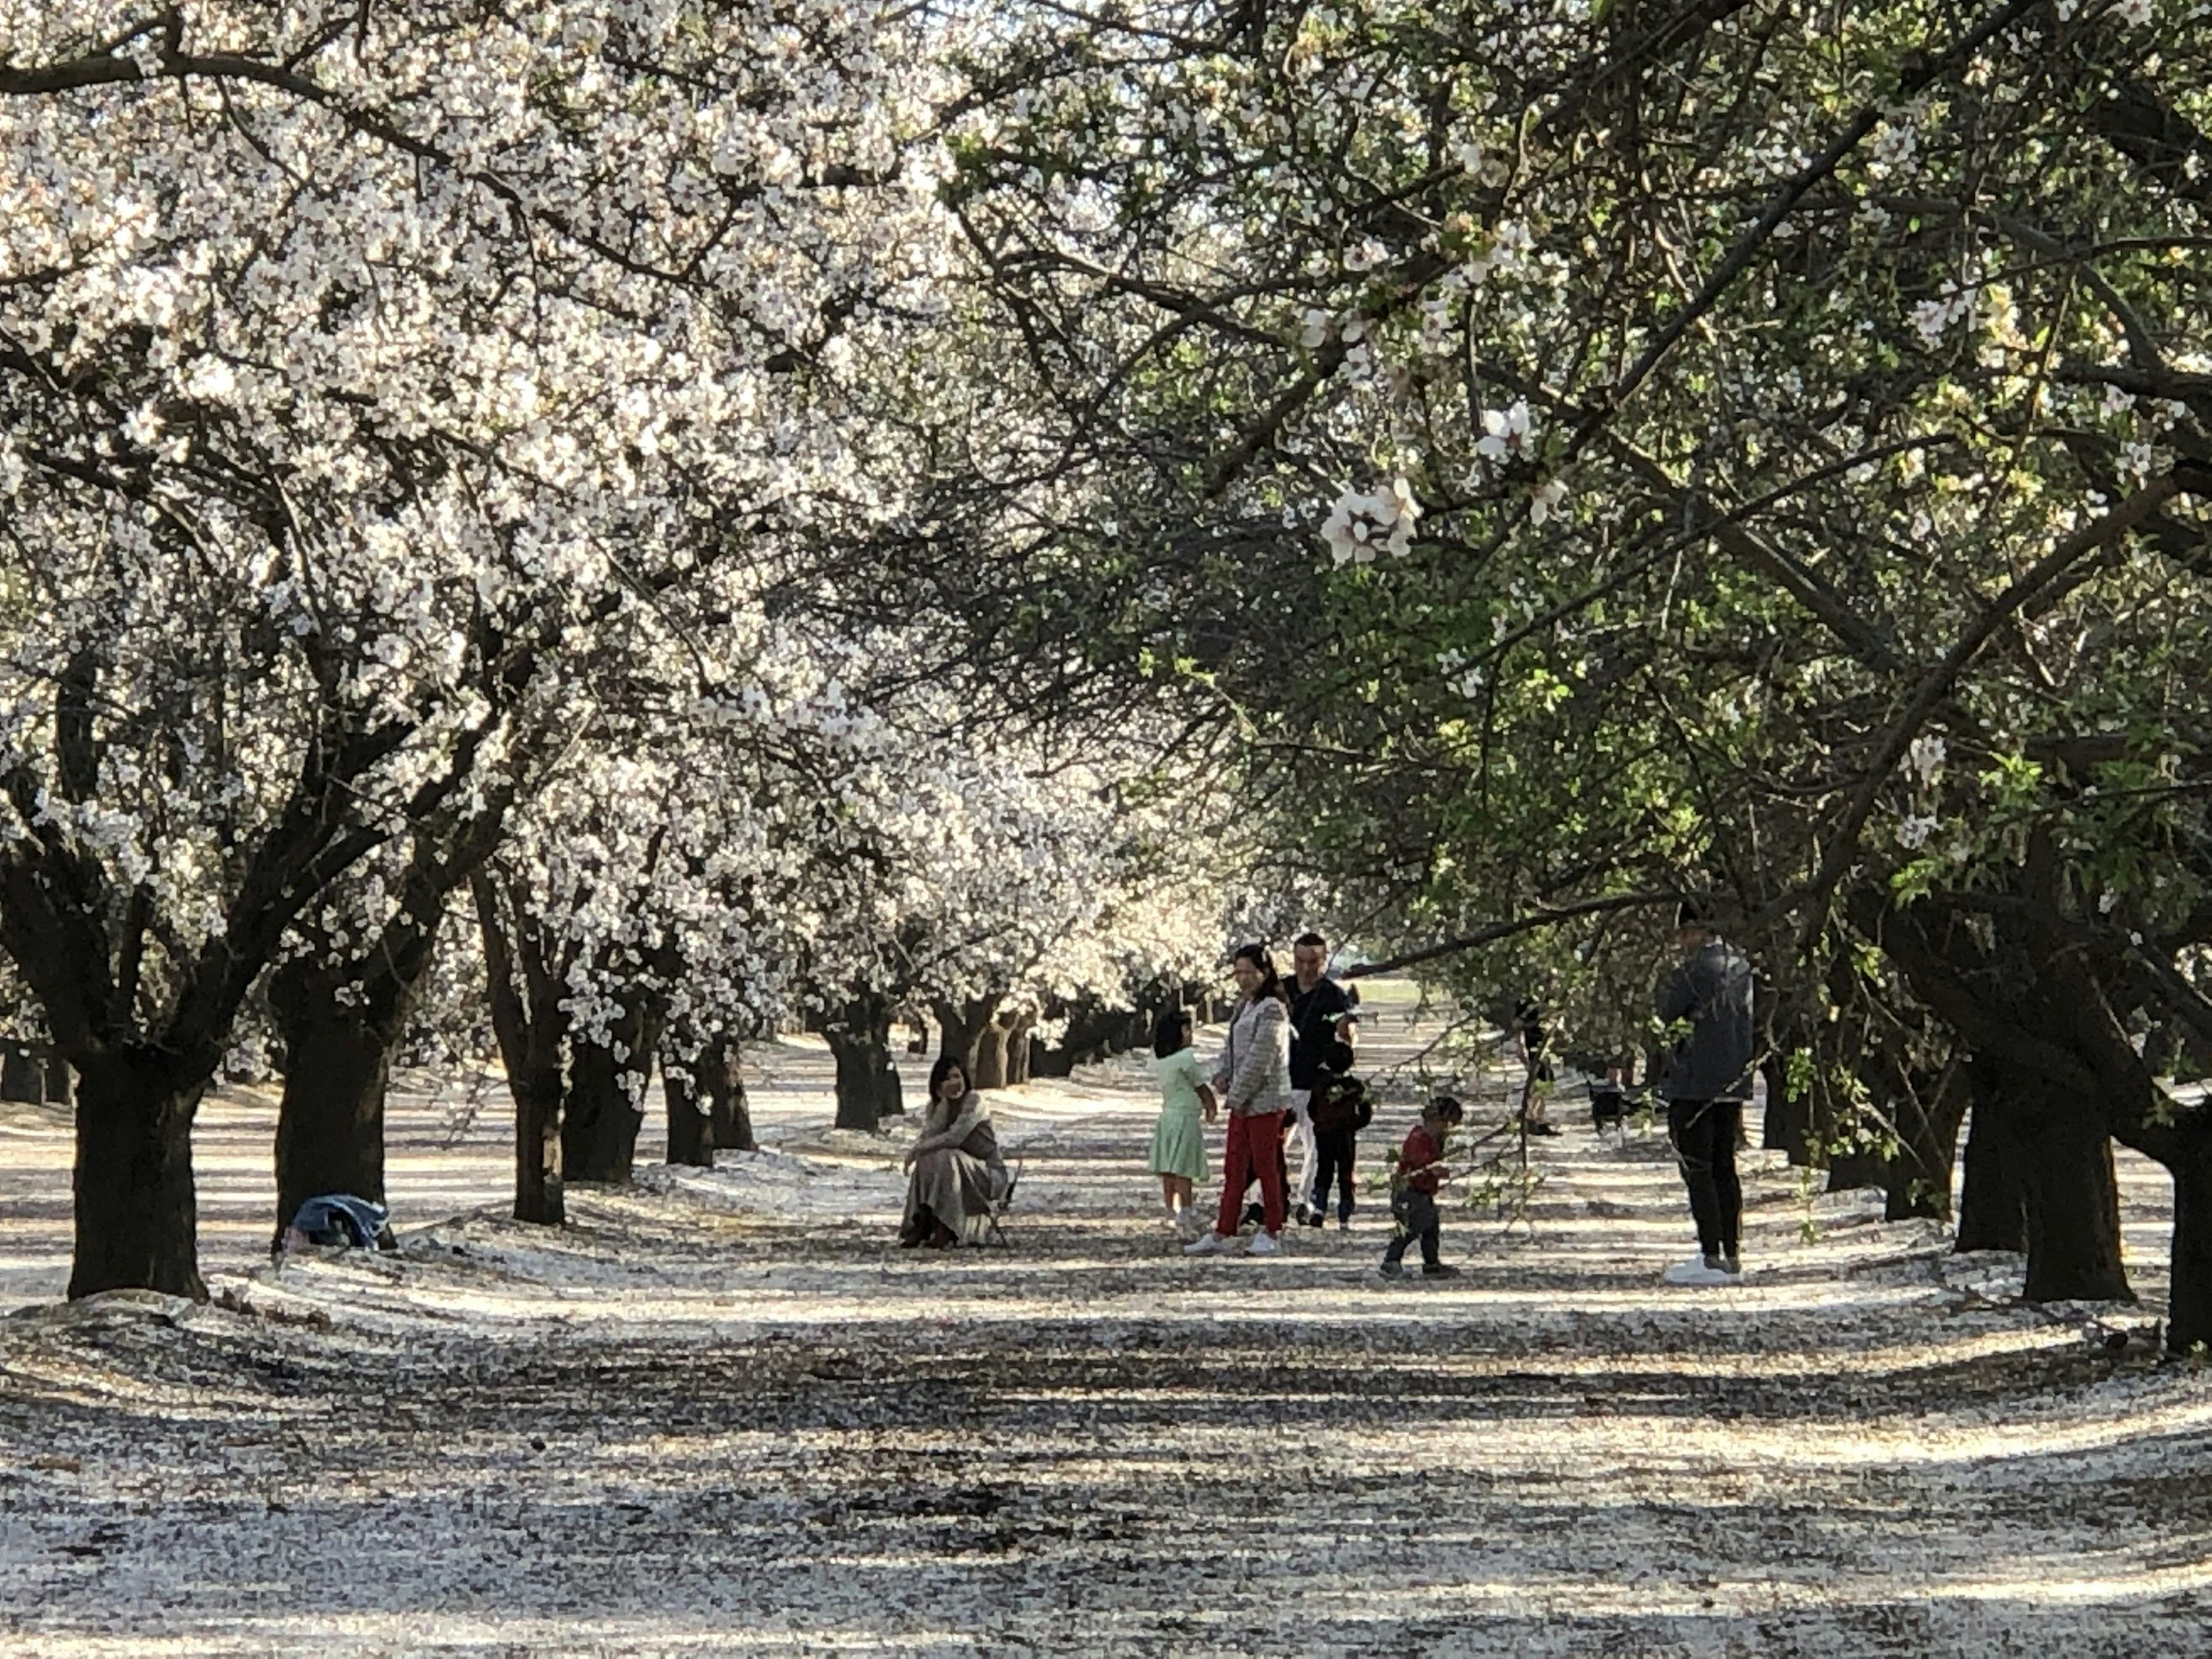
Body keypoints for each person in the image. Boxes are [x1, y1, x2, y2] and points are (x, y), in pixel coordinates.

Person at [1655, 896, 1756, 1286]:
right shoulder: (1742, 965)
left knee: (1697, 1169)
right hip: (1732, 1081)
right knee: (1725, 1169)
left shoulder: (1696, 970)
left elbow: (1665, 1018)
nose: (1682, 942)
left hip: (1695, 1082)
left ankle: (1710, 1253)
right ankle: (1731, 1252)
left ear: (1696, 930)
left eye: (1684, 933)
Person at [1186, 943, 1293, 1258]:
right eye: (1239, 972)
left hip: (1265, 1102)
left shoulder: (1272, 1008)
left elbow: (1262, 1058)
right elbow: (1233, 1046)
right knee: (1234, 1167)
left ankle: (1272, 1230)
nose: (1243, 979)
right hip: (1243, 1102)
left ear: (1265, 972)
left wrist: (1237, 1094)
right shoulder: (1244, 1006)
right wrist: (1222, 1073)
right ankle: (1223, 1229)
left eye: (1249, 972)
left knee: (1266, 1167)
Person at [899, 1056, 1010, 1249]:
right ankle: (923, 1218)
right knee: (929, 1158)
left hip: (987, 1172)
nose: (954, 1083)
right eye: (947, 1079)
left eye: (957, 1076)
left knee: (947, 1155)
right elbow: (928, 1138)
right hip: (955, 1169)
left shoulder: (975, 1101)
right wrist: (943, 1106)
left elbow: (954, 1138)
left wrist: (916, 1150)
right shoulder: (936, 1106)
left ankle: (947, 1226)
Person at [1286, 933, 1359, 1222]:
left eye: (1312, 961)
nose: (1305, 968)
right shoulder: (1280, 990)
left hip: (1316, 1084)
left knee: (1316, 1149)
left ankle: (1306, 1202)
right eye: (1300, 961)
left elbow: (1348, 1043)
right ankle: (1265, 1202)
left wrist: (1347, 1032)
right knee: (1268, 1146)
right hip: (1278, 1081)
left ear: (1324, 960)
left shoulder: (1334, 996)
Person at [1148, 1005, 1217, 1230]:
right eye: (1188, 1031)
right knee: (1183, 1168)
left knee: (1168, 1168)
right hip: (1186, 1119)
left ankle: (1170, 1209)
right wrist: (1211, 1107)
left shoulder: (1161, 1062)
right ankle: (1186, 1210)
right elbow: (1201, 1087)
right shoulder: (1186, 1059)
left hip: (1167, 1117)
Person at [1380, 1095, 1463, 1279]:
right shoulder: (1419, 1138)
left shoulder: (1433, 1139)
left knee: (1431, 1227)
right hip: (1409, 1191)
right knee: (1412, 1226)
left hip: (1423, 1191)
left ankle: (1431, 1263)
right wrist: (1434, 1169)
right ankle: (1390, 1261)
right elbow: (1420, 1161)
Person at [1305, 1038, 1370, 1229]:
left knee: (1323, 1170)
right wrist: (1354, 1125)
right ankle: (1344, 1213)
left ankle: (1319, 1209)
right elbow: (1365, 1112)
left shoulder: (1320, 1085)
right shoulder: (1356, 1087)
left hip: (1324, 1133)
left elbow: (1311, 1108)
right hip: (1345, 1135)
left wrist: (1319, 1122)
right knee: (1345, 1172)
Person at [1514, 995, 1558, 1135]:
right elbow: (1519, 1030)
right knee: (1539, 1085)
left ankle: (1535, 1118)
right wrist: (1521, 1051)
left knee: (1543, 1085)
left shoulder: (1544, 1004)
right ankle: (1533, 1118)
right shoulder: (1527, 1007)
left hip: (1543, 1051)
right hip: (1535, 1052)